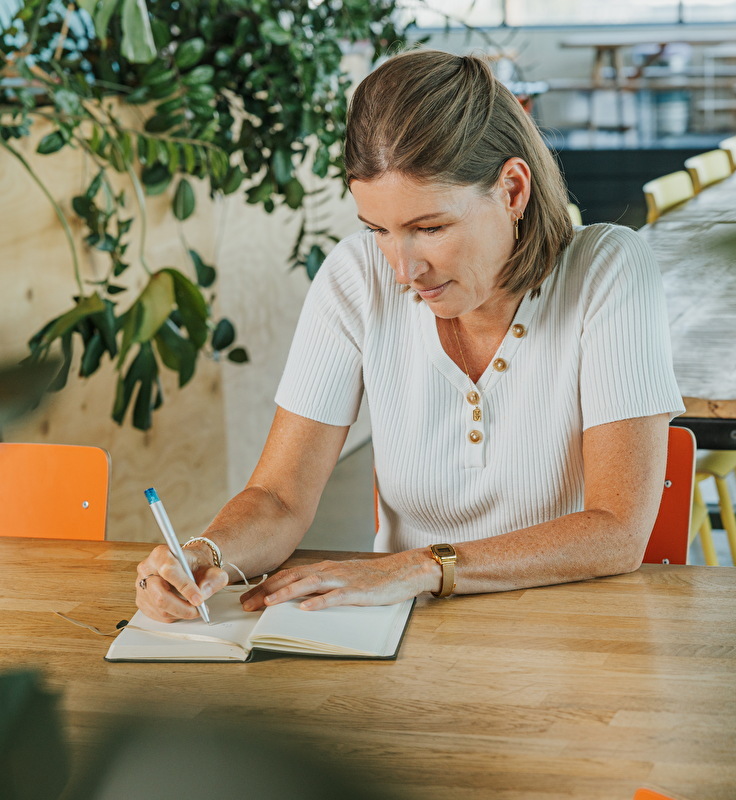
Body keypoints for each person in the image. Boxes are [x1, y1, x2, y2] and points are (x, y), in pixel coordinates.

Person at [135, 49, 684, 622]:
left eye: (431, 228)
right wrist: (207, 553)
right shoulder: (355, 277)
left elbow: (617, 531)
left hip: (572, 633)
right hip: (405, 633)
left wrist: (418, 567)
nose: (402, 269)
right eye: (379, 230)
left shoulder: (608, 270)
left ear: (513, 190)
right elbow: (280, 497)